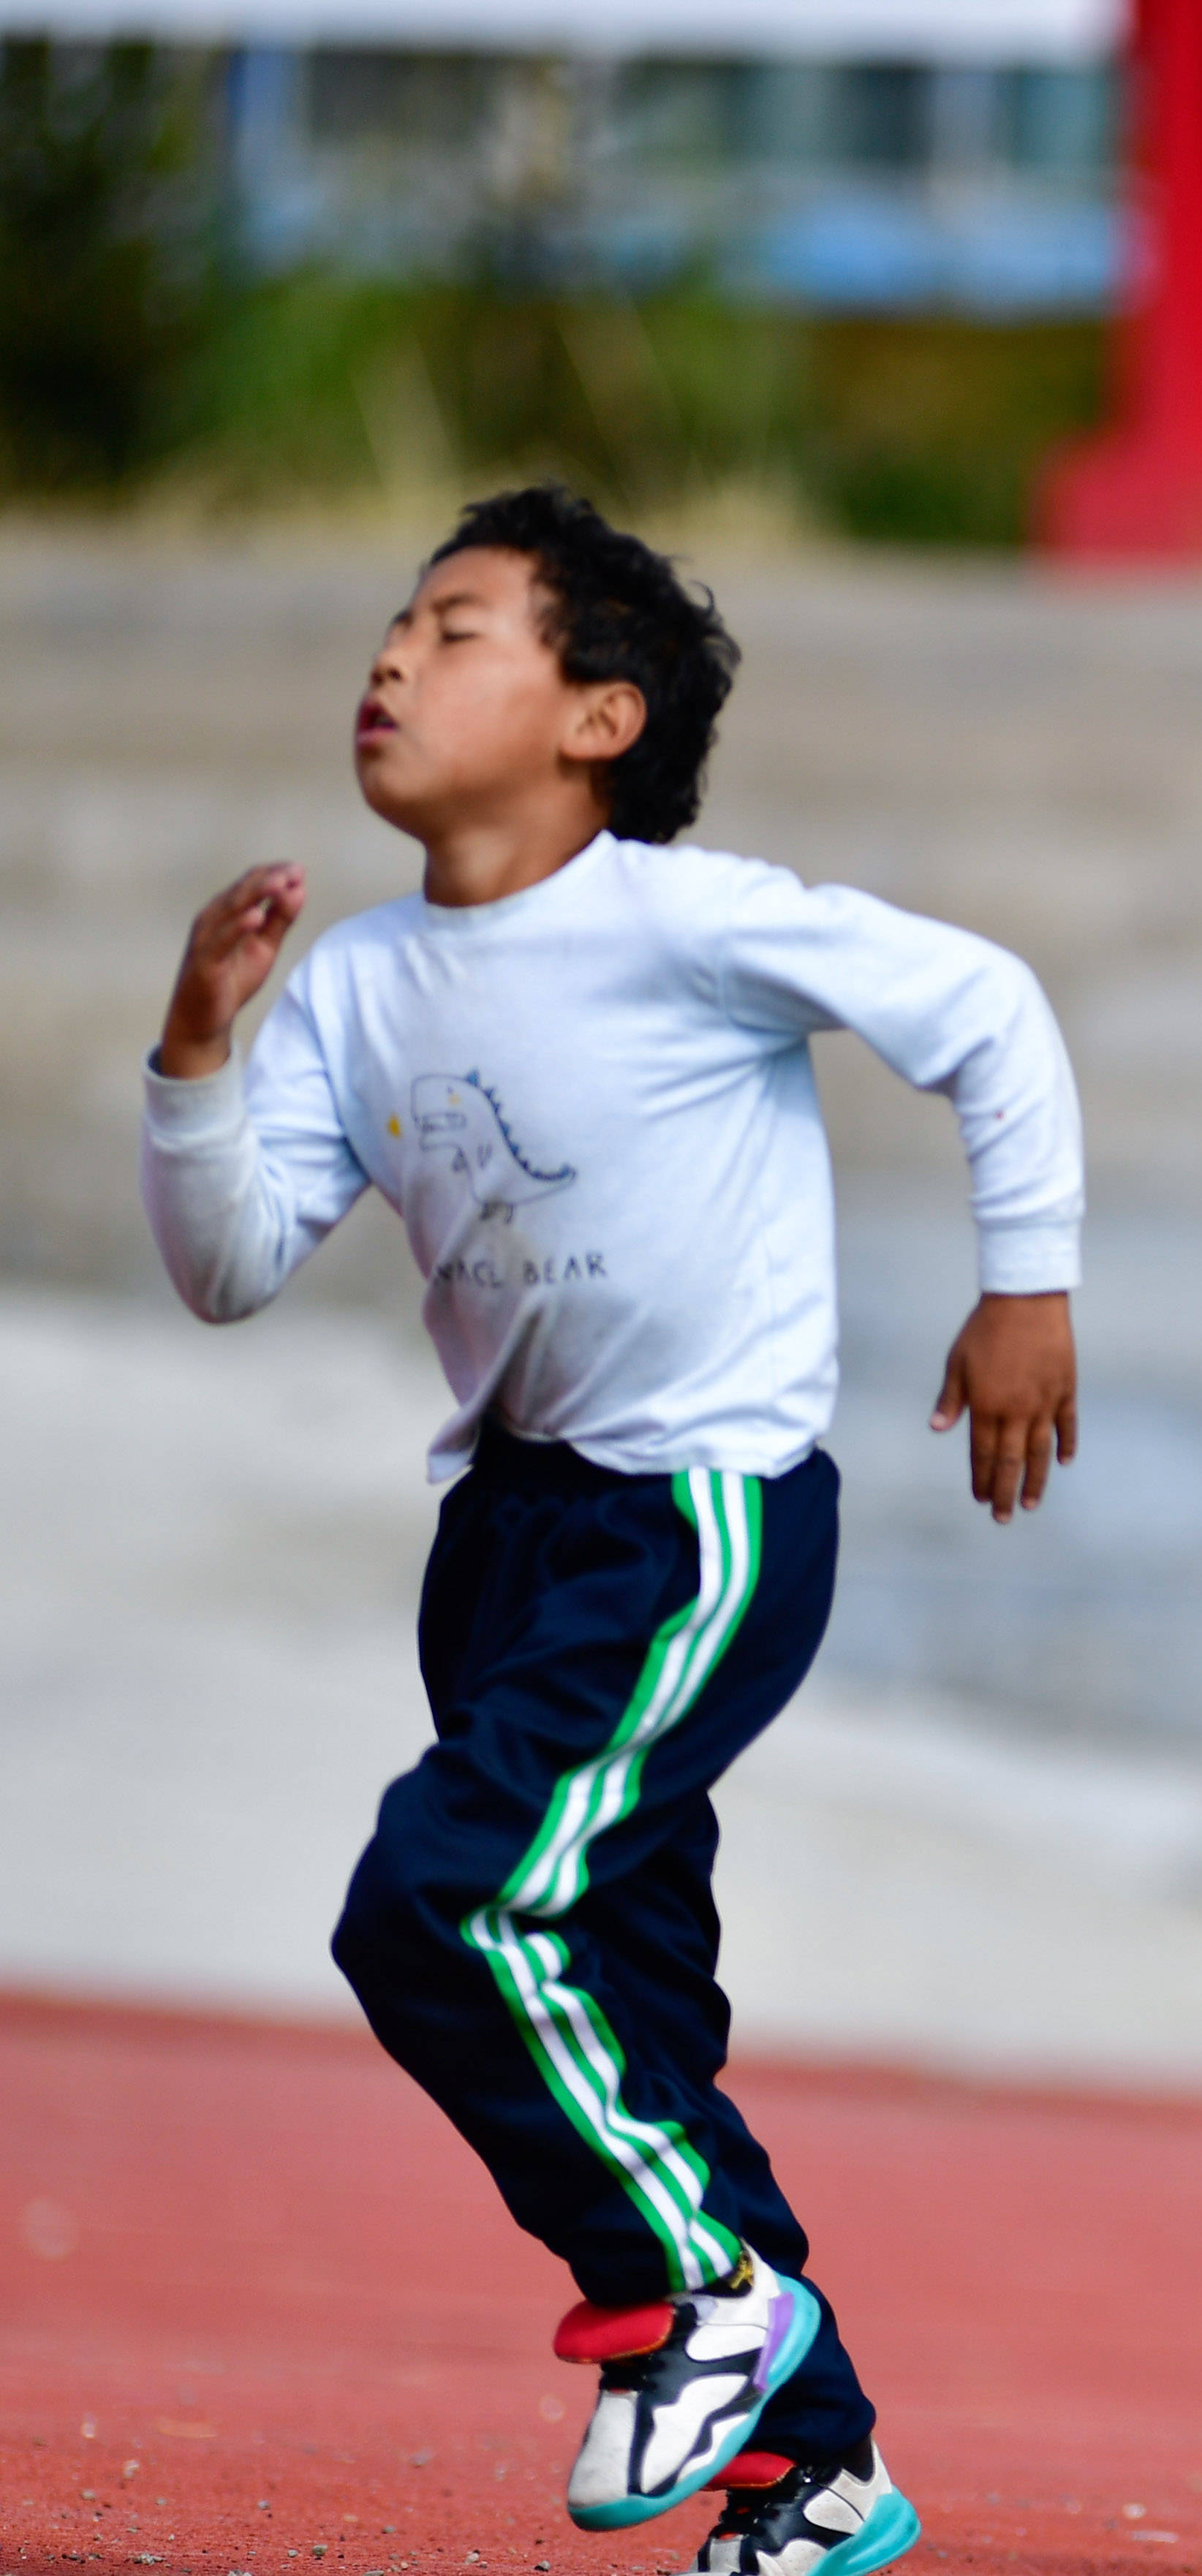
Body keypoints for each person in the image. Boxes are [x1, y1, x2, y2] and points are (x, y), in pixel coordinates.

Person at [139, 486, 1085, 2576]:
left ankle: (707, 2302)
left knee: (446, 1902)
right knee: (621, 2013)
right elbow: (229, 1262)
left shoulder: (681, 916)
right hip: (507, 1538)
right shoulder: (360, 983)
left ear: (597, 716)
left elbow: (988, 1011)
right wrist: (200, 1055)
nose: (393, 657)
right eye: (391, 623)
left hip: (699, 1518)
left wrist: (1027, 1285)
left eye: (457, 629)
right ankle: (815, 2467)